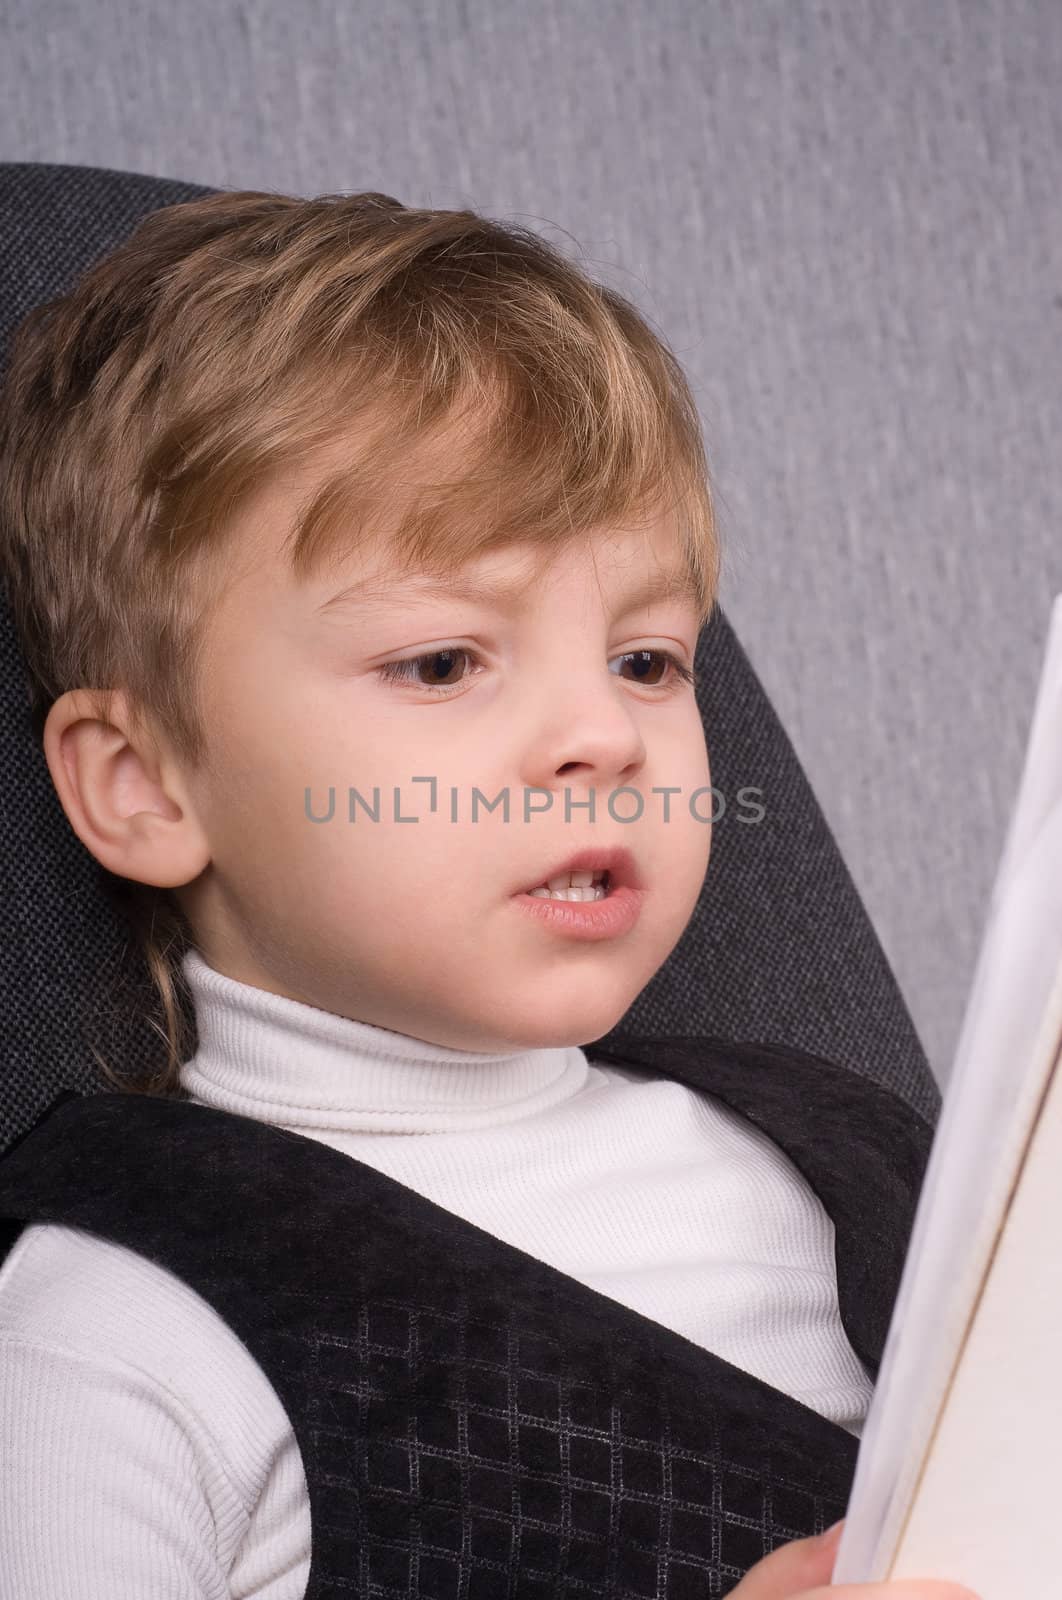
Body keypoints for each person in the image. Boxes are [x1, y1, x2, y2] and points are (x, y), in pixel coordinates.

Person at [0, 189, 977, 1600]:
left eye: (645, 660)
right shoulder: (118, 1329)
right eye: (444, 663)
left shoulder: (848, 1151)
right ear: (146, 783)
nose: (604, 733)